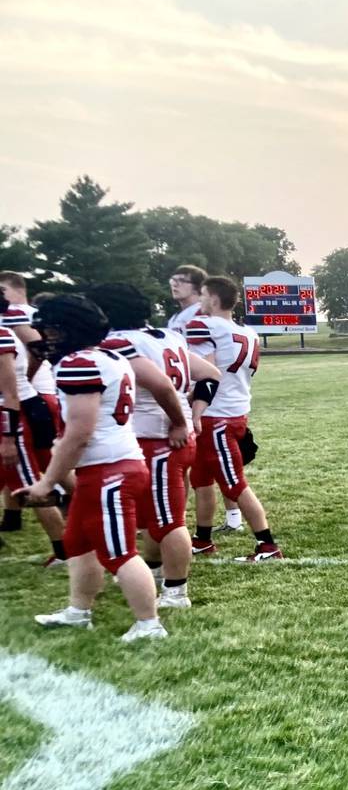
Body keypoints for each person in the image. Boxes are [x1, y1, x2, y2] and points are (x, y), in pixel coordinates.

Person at [19, 294, 189, 641]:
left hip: (108, 469)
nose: (45, 337)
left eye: (51, 329)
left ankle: (149, 624)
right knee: (77, 542)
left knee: (119, 553)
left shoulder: (79, 364)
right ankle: (78, 611)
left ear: (68, 329)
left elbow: (79, 433)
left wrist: (47, 481)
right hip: (114, 464)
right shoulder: (109, 356)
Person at [89, 282, 220, 609]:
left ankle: (176, 592)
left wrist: (179, 419)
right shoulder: (167, 336)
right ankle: (157, 571)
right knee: (155, 516)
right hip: (167, 438)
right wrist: (193, 414)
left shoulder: (120, 342)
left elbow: (161, 384)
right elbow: (209, 373)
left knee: (169, 519)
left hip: (159, 439)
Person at [185, 276, 282, 562]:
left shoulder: (205, 325)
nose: (199, 302)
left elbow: (206, 373)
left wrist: (193, 408)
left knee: (234, 483)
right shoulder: (248, 332)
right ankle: (202, 539)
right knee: (201, 480)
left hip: (216, 416)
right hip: (235, 410)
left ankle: (267, 545)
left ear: (213, 299)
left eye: (202, 295)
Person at [0, 272, 67, 565]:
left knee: (33, 483)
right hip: (28, 405)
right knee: (53, 470)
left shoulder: (4, 334)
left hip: (19, 413)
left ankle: (66, 551)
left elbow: (10, 395)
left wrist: (9, 437)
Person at [169, 264, 241, 533]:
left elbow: (208, 370)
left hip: (208, 399)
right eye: (172, 279)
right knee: (209, 468)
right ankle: (207, 525)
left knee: (214, 469)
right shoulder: (186, 317)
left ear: (202, 291)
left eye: (181, 280)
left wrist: (192, 403)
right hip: (225, 400)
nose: (174, 284)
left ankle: (252, 529)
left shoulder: (201, 318)